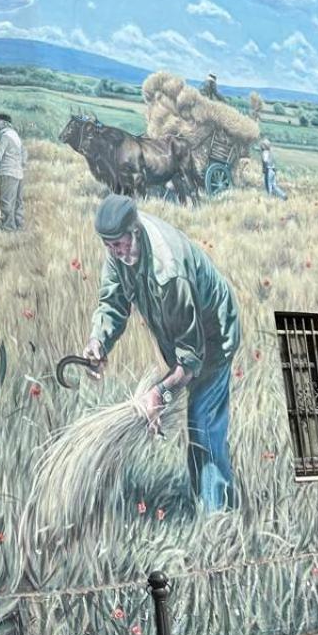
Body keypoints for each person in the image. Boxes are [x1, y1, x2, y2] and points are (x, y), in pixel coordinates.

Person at [81, 194, 240, 511]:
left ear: (135, 230)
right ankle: (204, 495)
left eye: (120, 244)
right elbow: (112, 303)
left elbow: (191, 357)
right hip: (183, 334)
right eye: (110, 246)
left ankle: (218, 515)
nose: (116, 252)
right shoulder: (118, 251)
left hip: (213, 334)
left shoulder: (168, 271)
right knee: (197, 420)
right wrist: (99, 340)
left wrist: (159, 394)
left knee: (203, 421)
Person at [0, 112, 26, 231]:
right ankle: (19, 224)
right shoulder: (16, 136)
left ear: (4, 123)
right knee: (18, 201)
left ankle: (8, 227)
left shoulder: (5, 136)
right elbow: (24, 154)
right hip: (19, 173)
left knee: (6, 200)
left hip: (8, 172)